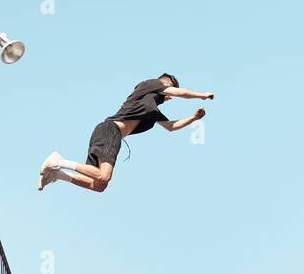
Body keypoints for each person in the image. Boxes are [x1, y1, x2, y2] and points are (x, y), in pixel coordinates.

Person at [38, 74, 214, 193]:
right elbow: (179, 92)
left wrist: (194, 117)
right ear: (164, 84)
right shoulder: (149, 85)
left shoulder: (151, 110)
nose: (170, 97)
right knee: (104, 175)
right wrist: (202, 95)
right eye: (169, 92)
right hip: (110, 130)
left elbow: (171, 126)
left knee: (99, 185)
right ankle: (58, 161)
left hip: (109, 134)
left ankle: (58, 174)